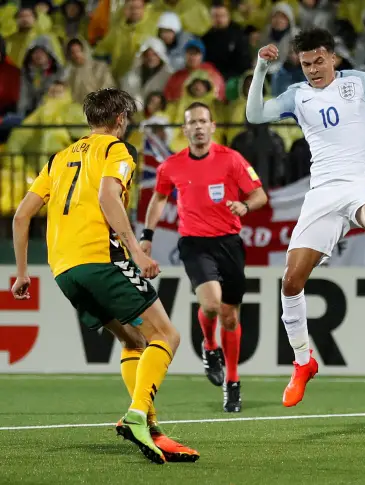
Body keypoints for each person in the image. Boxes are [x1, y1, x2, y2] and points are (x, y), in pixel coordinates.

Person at [246, 28, 365, 407]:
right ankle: (303, 362)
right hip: (322, 193)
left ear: (333, 57)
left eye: (317, 61)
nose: (312, 69)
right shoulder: (297, 95)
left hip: (361, 183)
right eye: (305, 64)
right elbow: (254, 114)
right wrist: (262, 70)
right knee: (291, 282)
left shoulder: (360, 82)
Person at [11, 88, 196, 464]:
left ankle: (151, 429)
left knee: (133, 341)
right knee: (167, 335)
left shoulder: (59, 158)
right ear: (120, 120)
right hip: (100, 259)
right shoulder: (117, 150)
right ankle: (137, 416)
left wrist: (21, 273)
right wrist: (136, 251)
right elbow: (108, 198)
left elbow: (20, 216)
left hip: (64, 270)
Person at [141, 101, 268, 413]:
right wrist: (147, 236)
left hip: (229, 242)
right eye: (192, 122)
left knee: (230, 315)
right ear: (185, 129)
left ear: (213, 126)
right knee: (211, 304)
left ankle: (233, 381)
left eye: (202, 121)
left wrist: (246, 206)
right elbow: (158, 198)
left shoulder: (232, 159)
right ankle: (210, 347)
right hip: (195, 243)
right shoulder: (171, 166)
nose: (197, 127)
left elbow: (259, 195)